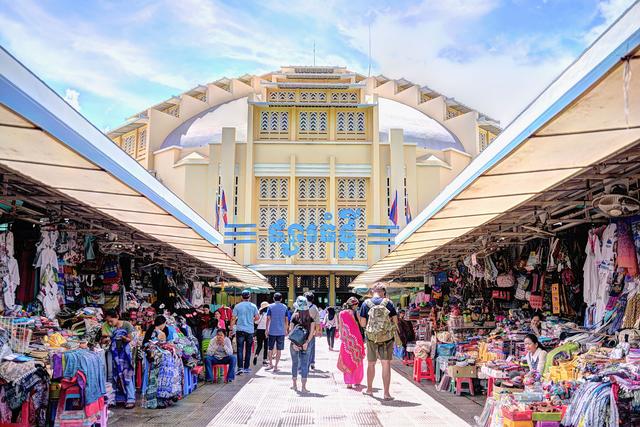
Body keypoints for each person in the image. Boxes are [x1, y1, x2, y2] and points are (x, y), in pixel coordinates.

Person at [359, 283, 398, 400]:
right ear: (384, 292)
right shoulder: (389, 303)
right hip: (387, 338)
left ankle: (369, 390)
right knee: (386, 364)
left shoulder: (366, 304)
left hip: (371, 337)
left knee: (371, 363)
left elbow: (363, 324)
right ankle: (386, 393)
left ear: (372, 292)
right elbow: (395, 322)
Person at [102, 309, 136, 408]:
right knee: (112, 374)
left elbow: (131, 339)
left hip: (124, 354)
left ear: (117, 316)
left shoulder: (127, 325)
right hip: (112, 353)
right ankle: (114, 398)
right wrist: (106, 340)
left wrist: (125, 339)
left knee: (126, 374)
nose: (109, 323)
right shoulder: (106, 326)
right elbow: (103, 339)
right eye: (107, 321)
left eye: (111, 320)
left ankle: (130, 398)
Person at [289, 296, 316, 393]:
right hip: (306, 345)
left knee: (295, 364)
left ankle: (294, 385)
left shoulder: (294, 317)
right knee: (305, 365)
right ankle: (304, 387)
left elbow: (290, 331)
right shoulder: (311, 319)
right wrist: (306, 343)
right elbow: (312, 333)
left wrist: (293, 343)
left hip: (294, 344)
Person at [337, 297, 364, 389]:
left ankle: (349, 382)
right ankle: (357, 380)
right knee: (357, 358)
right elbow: (361, 324)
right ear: (355, 305)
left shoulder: (341, 313)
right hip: (357, 339)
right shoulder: (355, 313)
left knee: (347, 359)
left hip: (346, 339)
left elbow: (340, 326)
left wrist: (342, 337)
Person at [232, 290, 259, 374]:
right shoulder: (253, 306)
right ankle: (246, 367)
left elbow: (233, 318)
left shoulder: (237, 306)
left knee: (239, 349)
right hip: (250, 330)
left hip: (240, 330)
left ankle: (240, 368)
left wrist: (231, 328)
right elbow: (257, 317)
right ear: (249, 297)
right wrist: (252, 320)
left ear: (241, 297)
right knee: (248, 349)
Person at [265, 292, 289, 372]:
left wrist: (266, 329)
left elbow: (268, 318)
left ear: (273, 298)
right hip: (281, 331)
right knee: (279, 349)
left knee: (270, 348)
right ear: (281, 299)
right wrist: (286, 329)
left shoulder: (270, 307)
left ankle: (270, 364)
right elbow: (286, 319)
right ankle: (276, 366)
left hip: (272, 330)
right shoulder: (285, 307)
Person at [304, 292, 321, 370]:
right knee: (311, 347)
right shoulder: (314, 308)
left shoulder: (301, 306)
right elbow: (317, 322)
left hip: (301, 330)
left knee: (301, 346)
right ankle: (312, 362)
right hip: (311, 330)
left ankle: (303, 362)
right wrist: (317, 331)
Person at [253, 302, 269, 366]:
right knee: (266, 346)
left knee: (259, 345)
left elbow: (256, 322)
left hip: (259, 331)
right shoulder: (268, 314)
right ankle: (264, 360)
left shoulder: (259, 314)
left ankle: (256, 355)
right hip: (265, 331)